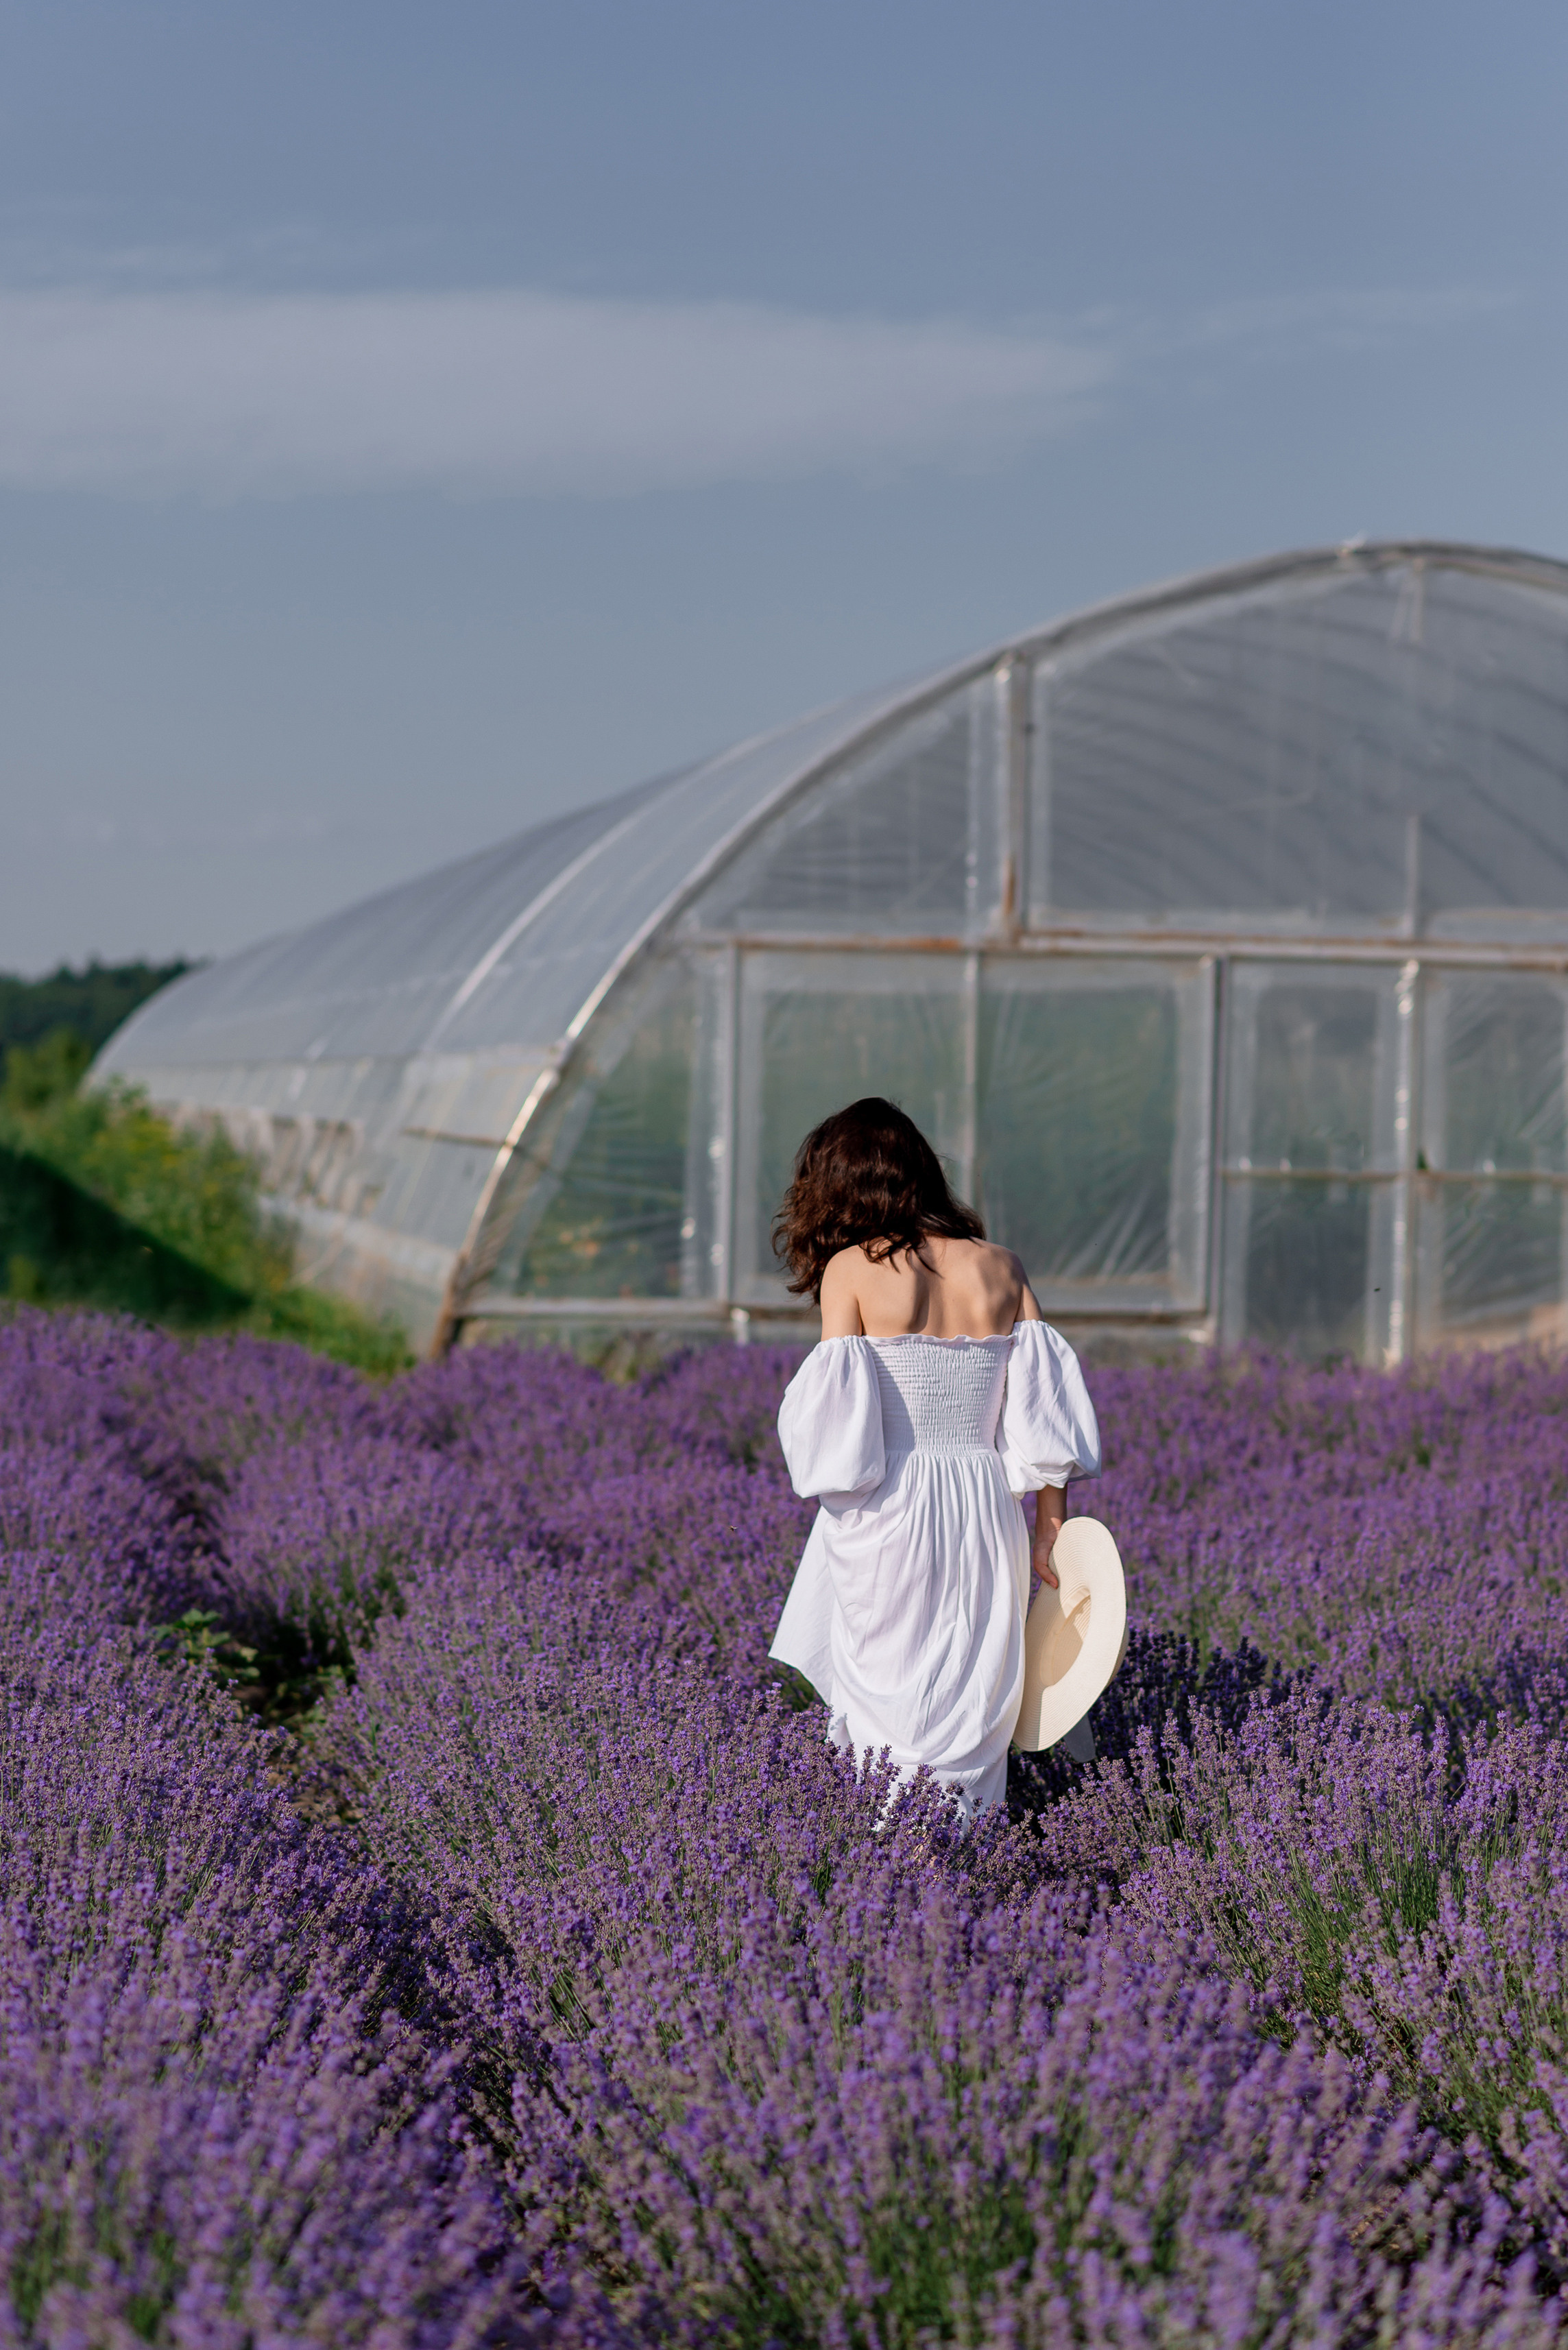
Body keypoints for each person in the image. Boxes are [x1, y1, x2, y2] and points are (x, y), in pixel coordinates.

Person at [768, 1096, 1101, 1821]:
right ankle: (969, 1863)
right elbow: (1044, 1424)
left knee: (887, 1693)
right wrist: (1051, 1530)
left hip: (889, 1504)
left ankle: (891, 1874)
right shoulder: (1002, 1268)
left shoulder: (851, 1270)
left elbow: (834, 1439)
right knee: (975, 1686)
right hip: (986, 1505)